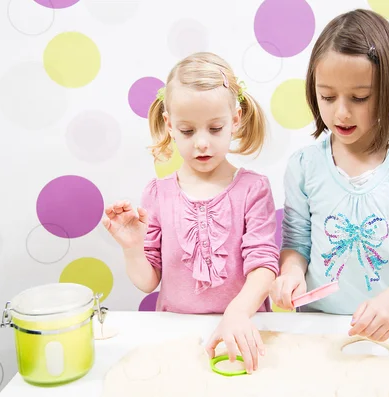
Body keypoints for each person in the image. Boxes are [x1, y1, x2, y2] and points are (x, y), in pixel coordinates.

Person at [270, 9, 389, 342]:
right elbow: (297, 245)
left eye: (360, 97)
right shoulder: (304, 166)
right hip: (317, 330)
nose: (341, 111)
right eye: (327, 96)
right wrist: (291, 272)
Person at [102, 52, 279, 373]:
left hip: (244, 331)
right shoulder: (157, 193)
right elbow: (147, 280)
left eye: (214, 128)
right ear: (169, 124)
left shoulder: (253, 189)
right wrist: (132, 248)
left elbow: (265, 267)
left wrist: (236, 314)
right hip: (176, 337)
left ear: (235, 120)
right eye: (187, 131)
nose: (201, 143)